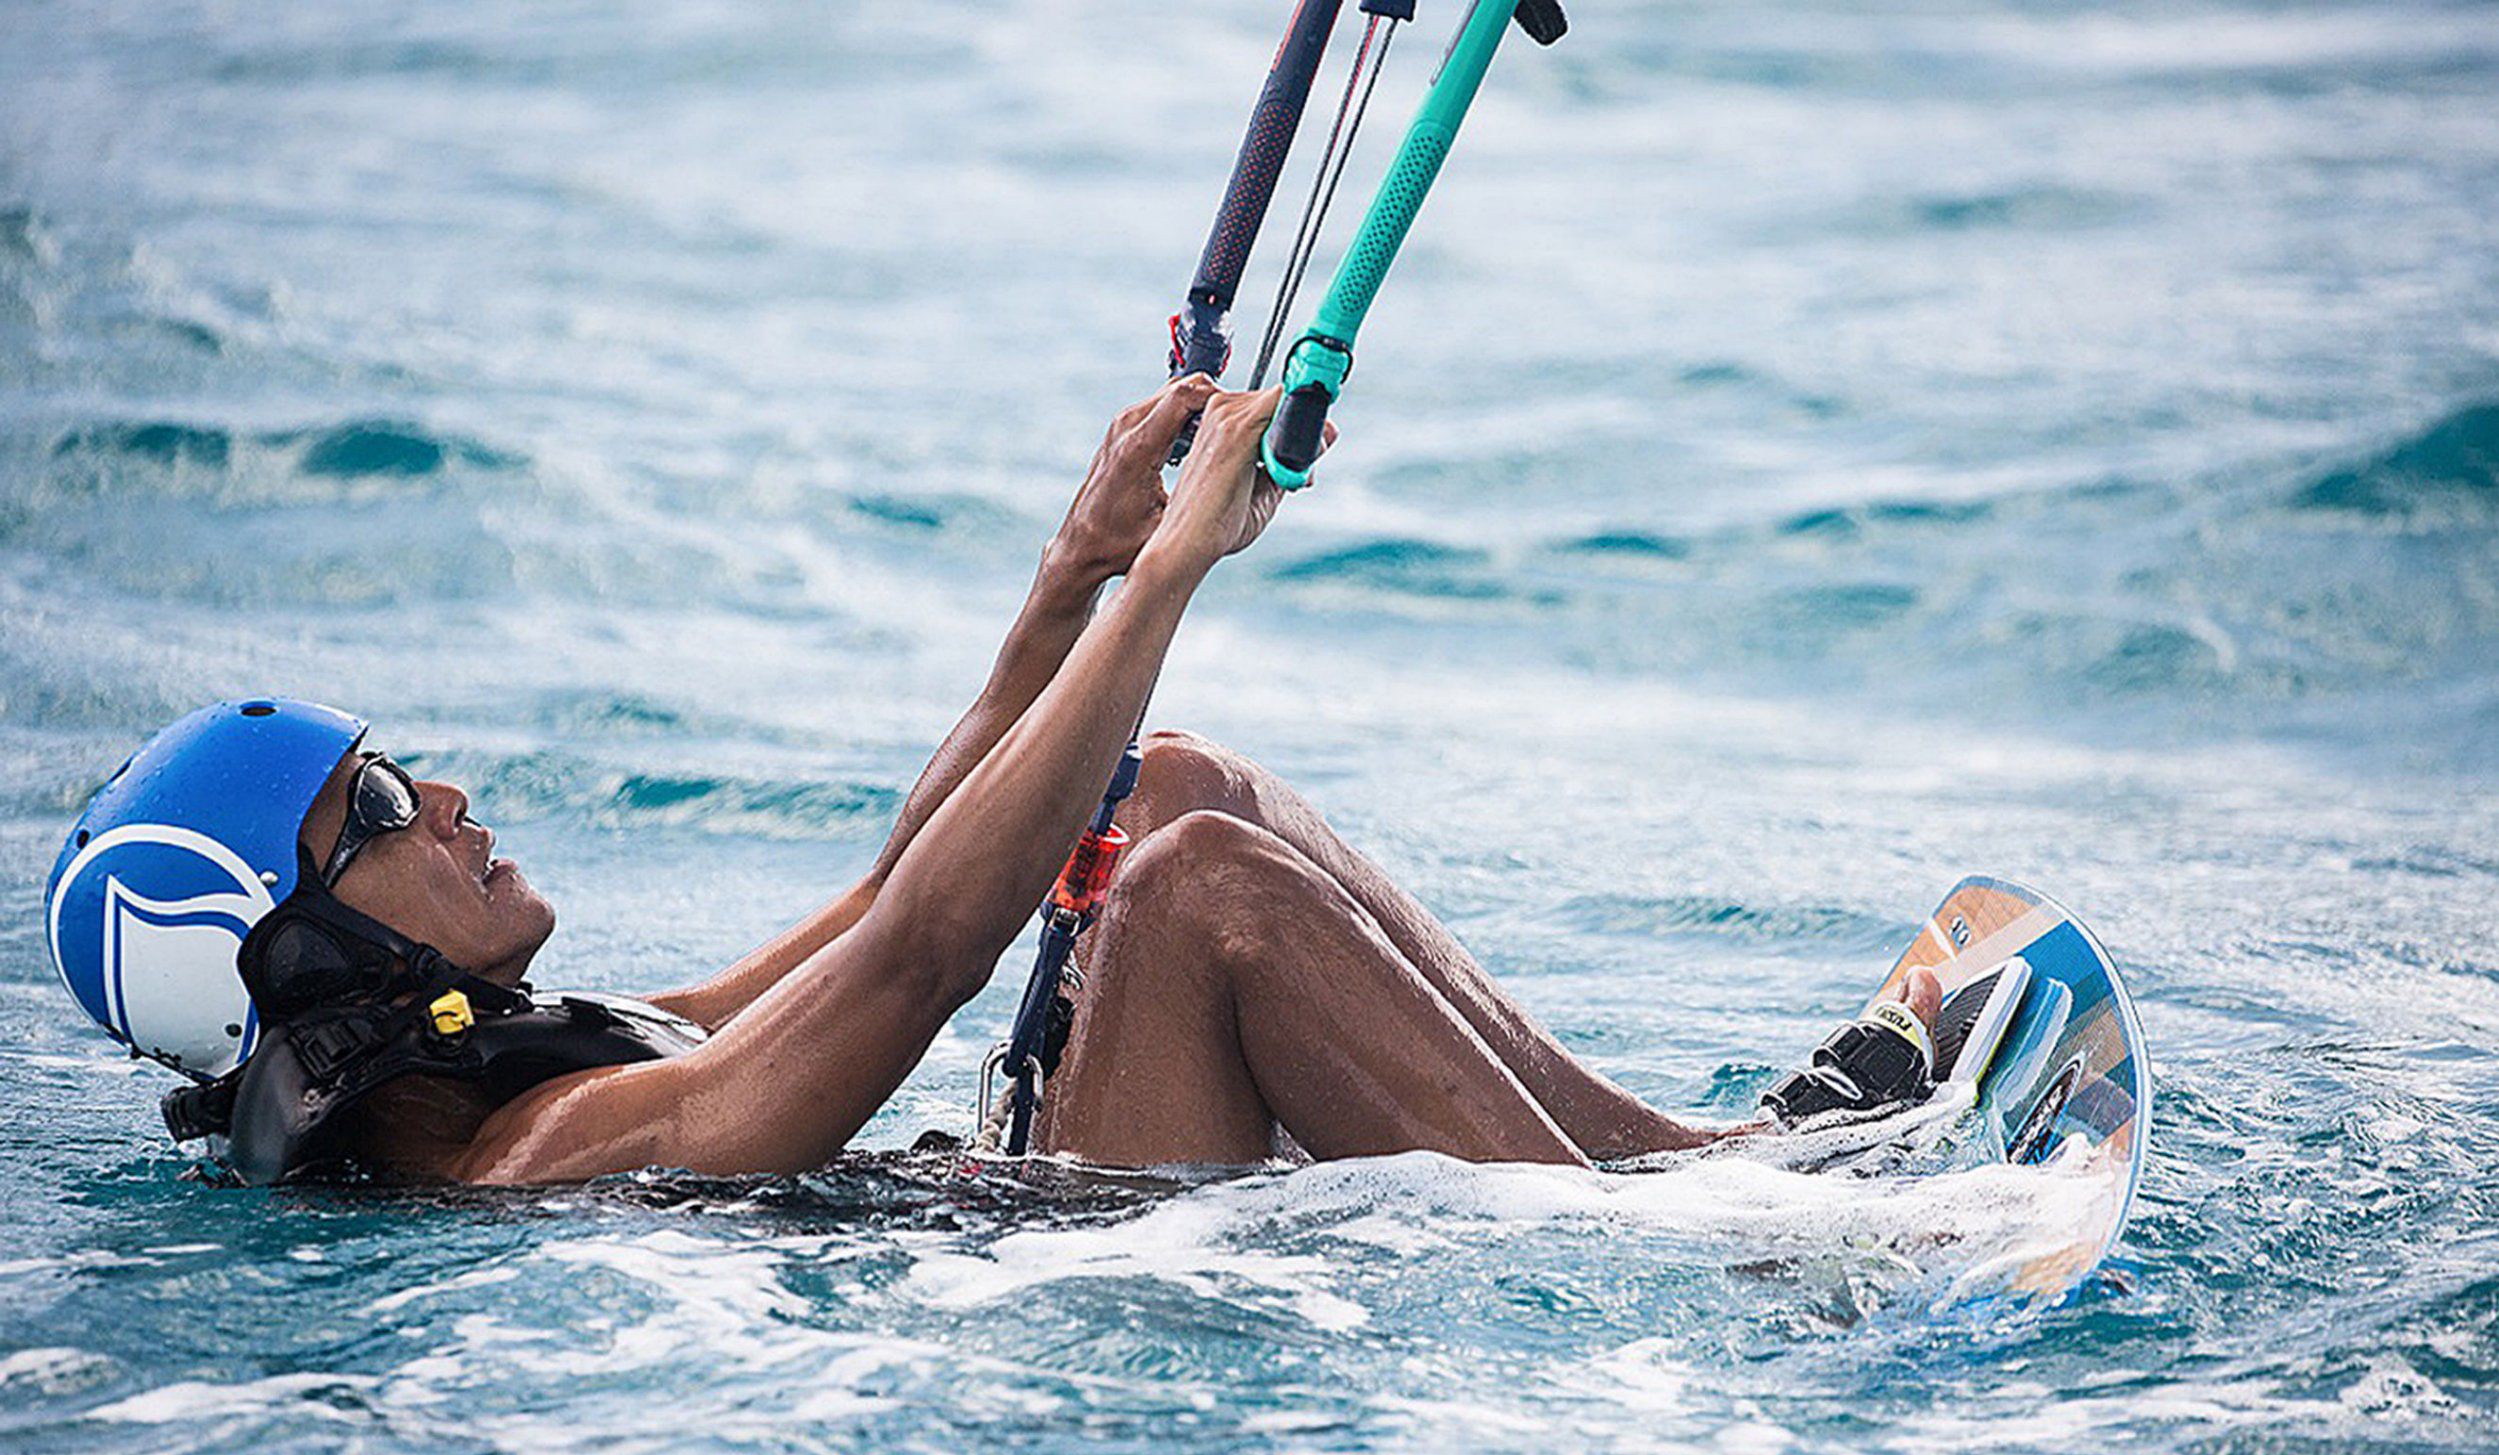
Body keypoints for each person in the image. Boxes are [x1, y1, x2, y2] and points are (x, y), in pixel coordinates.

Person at [44, 381, 1947, 1187]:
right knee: (1191, 890)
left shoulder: (553, 1049)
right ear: (307, 968)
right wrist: (1179, 573)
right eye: (377, 812)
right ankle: (1744, 1260)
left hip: (1039, 1221)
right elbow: (921, 959)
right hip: (1070, 1298)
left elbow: (888, 903)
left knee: (1165, 779)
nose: (446, 797)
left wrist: (1078, 570)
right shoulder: (533, 1158)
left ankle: (1702, 1167)